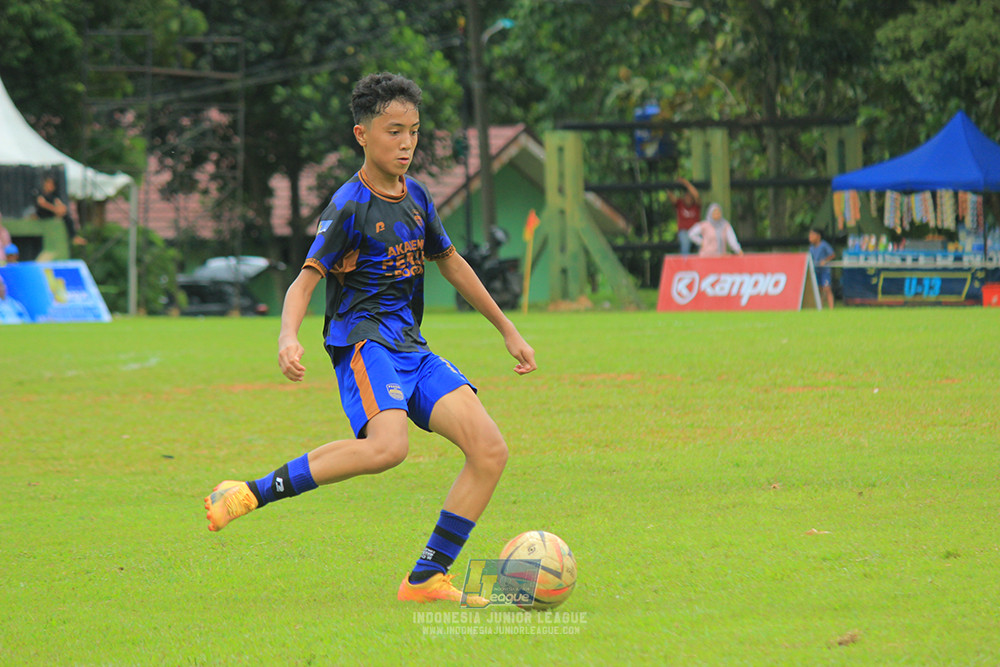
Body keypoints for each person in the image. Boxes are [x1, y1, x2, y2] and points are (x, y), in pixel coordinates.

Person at [203, 72, 537, 606]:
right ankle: (247, 493)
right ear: (362, 134)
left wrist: (508, 328)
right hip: (365, 344)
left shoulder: (418, 198)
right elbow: (304, 279)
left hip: (411, 349)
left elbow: (452, 264)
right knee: (388, 447)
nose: (406, 143)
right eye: (393, 131)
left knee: (490, 450)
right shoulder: (348, 206)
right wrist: (288, 336)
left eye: (414, 132)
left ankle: (427, 578)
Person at [35, 177, 84, 246]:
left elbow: (62, 206)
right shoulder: (40, 193)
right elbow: (42, 203)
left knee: (68, 218)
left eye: (51, 185)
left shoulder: (54, 196)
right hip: (42, 216)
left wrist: (60, 210)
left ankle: (74, 237)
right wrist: (55, 209)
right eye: (48, 184)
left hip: (52, 216)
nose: (50, 186)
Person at [667, 176, 701, 256]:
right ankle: (684, 265)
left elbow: (696, 195)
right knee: (685, 246)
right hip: (684, 231)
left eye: (690, 197)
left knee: (703, 244)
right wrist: (674, 184)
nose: (688, 198)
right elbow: (670, 195)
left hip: (696, 230)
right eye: (686, 196)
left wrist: (686, 183)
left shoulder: (696, 205)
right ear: (683, 197)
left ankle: (703, 264)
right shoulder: (680, 203)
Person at [809, 228, 836, 309]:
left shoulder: (824, 245)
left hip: (824, 271)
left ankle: (831, 308)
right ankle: (820, 307)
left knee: (827, 288)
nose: (810, 237)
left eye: (812, 235)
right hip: (816, 271)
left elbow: (832, 254)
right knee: (819, 290)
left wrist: (825, 260)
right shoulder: (811, 248)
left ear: (818, 236)